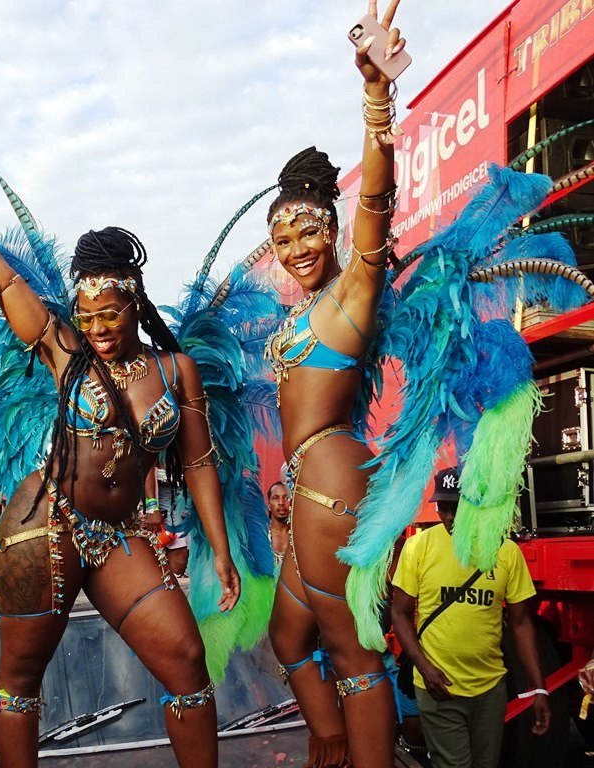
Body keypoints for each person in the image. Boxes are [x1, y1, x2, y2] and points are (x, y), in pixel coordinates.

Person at [0, 171, 241, 768]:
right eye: (87, 317)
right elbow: (6, 277)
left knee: (187, 662)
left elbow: (196, 462)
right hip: (46, 526)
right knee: (21, 682)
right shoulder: (64, 349)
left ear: (134, 303)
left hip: (115, 538)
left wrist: (218, 547)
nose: (98, 329)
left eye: (110, 314)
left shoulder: (176, 370)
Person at [264, 3, 406, 766]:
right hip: (307, 481)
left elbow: (376, 212)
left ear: (333, 226)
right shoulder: (300, 315)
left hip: (330, 477)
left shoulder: (351, 292)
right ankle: (327, 737)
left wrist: (376, 103)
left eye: (311, 230)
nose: (296, 248)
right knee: (289, 635)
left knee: (351, 651)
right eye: (283, 238)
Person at [391, 467, 551, 768]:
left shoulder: (505, 552)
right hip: (439, 687)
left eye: (458, 507)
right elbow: (399, 613)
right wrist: (425, 668)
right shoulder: (419, 547)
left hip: (490, 691)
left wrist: (538, 687)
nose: (449, 516)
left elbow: (520, 622)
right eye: (444, 507)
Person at [267, 481, 290, 567]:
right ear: (269, 504)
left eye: (286, 497)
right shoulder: (260, 535)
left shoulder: (300, 537)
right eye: (275, 498)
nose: (281, 502)